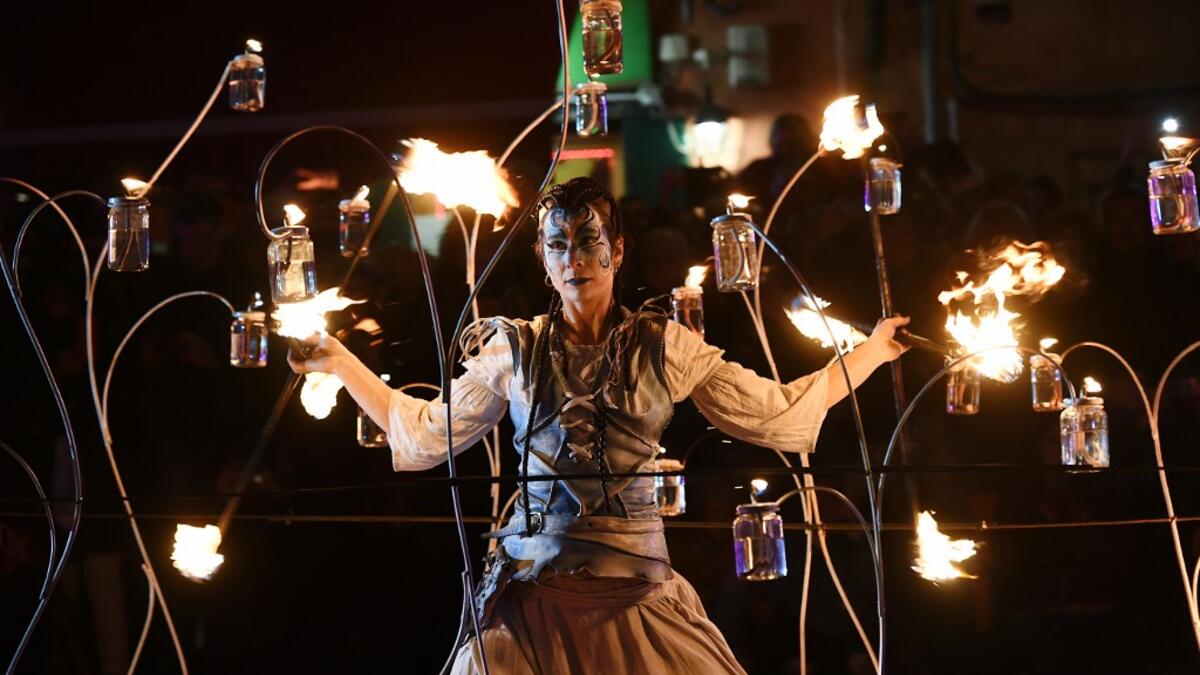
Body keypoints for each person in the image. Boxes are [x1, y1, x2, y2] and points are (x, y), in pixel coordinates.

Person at [288, 177, 909, 674]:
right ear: (543, 258)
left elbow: (776, 413)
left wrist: (873, 352)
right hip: (530, 608)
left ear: (615, 251)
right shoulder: (513, 349)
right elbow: (426, 434)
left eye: (588, 241)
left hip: (635, 603)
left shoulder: (666, 346)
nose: (573, 258)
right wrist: (342, 363)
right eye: (558, 244)